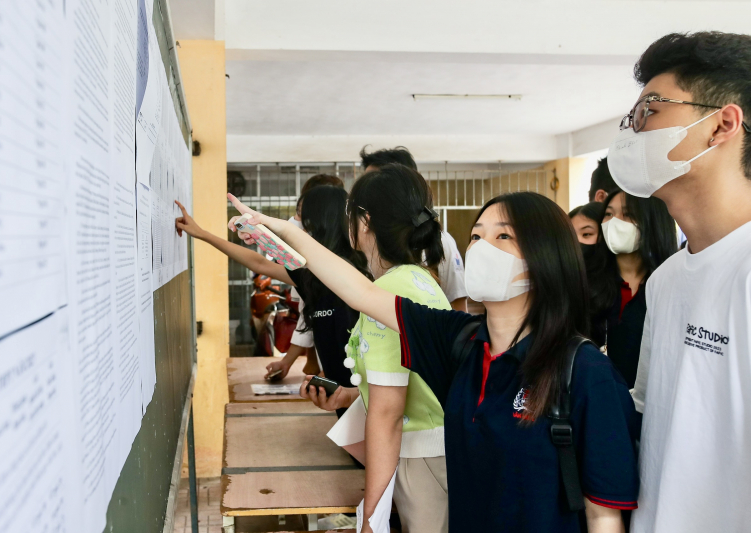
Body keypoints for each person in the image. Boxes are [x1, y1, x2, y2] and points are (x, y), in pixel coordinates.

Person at [223, 190, 639, 533]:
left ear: (545, 255)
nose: (480, 249)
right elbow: (359, 292)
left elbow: (604, 516)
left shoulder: (584, 374)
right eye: (476, 236)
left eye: (503, 238)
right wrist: (284, 231)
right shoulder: (459, 341)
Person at [223, 164, 452, 533]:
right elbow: (414, 384)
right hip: (436, 452)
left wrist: (371, 518)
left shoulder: (388, 292)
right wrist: (349, 396)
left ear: (363, 223)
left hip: (419, 459)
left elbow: (388, 415)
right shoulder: (418, 280)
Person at [607, 32, 751, 533]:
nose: (632, 130)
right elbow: (650, 412)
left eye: (651, 109)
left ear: (722, 126)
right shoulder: (667, 279)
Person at [174, 186, 368, 417]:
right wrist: (203, 234)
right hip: (342, 405)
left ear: (319, 220)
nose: (296, 222)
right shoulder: (310, 275)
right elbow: (260, 264)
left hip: (366, 400)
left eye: (300, 216)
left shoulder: (354, 273)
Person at [360, 146, 468, 312]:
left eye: (373, 182)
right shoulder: (365, 236)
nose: (364, 192)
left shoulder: (439, 239)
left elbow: (457, 303)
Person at [586, 189, 677, 387]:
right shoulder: (585, 278)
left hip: (651, 399)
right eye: (608, 214)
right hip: (597, 394)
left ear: (652, 222)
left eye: (627, 215)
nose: (614, 222)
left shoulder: (670, 282)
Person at [279, 174, 346, 379]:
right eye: (298, 213)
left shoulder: (343, 266)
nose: (297, 222)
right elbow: (309, 312)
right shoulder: (306, 266)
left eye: (303, 214)